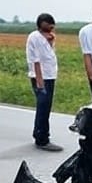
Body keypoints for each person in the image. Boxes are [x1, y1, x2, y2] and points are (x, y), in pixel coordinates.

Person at [26, 13, 63, 152]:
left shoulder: (46, 37)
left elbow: (48, 55)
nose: (52, 27)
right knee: (43, 108)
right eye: (49, 24)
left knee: (45, 108)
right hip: (41, 78)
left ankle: (39, 134)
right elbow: (35, 61)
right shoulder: (35, 37)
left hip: (49, 76)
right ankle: (42, 139)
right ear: (42, 23)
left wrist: (51, 42)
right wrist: (40, 82)